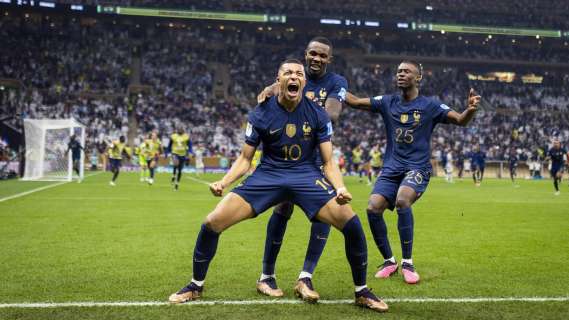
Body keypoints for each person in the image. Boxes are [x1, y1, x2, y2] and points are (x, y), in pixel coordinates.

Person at [168, 60, 387, 312]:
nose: (294, 77)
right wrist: (225, 182)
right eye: (288, 73)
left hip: (306, 175)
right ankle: (196, 285)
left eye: (298, 74)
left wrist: (339, 187)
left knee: (351, 223)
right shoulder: (260, 112)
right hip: (268, 176)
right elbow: (245, 159)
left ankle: (361, 291)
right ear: (278, 80)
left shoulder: (318, 113)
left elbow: (328, 161)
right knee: (212, 222)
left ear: (304, 82)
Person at [345, 60, 481, 284]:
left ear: (418, 78)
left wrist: (471, 110)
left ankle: (408, 262)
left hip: (417, 167)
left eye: (406, 71)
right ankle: (390, 261)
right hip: (391, 168)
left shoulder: (430, 106)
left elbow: (460, 120)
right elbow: (356, 102)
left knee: (402, 200)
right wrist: (334, 88)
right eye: (398, 71)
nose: (400, 74)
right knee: (373, 208)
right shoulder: (387, 102)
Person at [255, 37, 348, 300]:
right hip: (287, 159)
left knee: (324, 214)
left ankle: (305, 277)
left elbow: (332, 114)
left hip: (318, 158)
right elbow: (267, 97)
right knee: (282, 209)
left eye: (322, 55)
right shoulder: (290, 78)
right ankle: (266, 276)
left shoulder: (336, 83)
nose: (317, 59)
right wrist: (271, 91)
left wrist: (294, 102)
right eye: (313, 54)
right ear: (305, 55)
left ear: (329, 59)